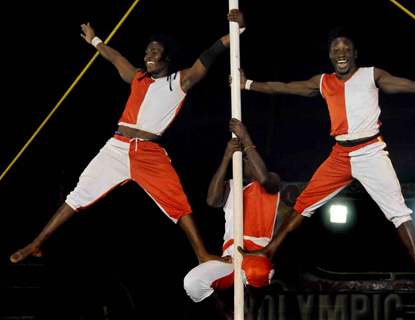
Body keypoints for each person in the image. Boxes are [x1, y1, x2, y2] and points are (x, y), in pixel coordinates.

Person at [237, 27, 415, 302]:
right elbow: (283, 88)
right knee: (303, 205)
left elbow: (414, 86)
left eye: (346, 48)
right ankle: (269, 251)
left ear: (355, 53)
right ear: (330, 56)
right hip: (339, 155)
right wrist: (247, 85)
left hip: (371, 153)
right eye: (335, 49)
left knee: (400, 214)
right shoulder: (322, 82)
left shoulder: (371, 75)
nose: (341, 52)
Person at [9, 10, 246, 265]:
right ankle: (36, 243)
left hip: (149, 153)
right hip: (117, 148)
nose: (148, 56)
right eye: (146, 52)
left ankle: (201, 254)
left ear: (167, 57)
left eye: (154, 51)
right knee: (77, 196)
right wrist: (94, 40)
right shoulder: (137, 78)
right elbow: (115, 57)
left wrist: (235, 32)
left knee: (178, 202)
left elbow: (208, 56)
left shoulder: (180, 81)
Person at [183, 118, 282, 319]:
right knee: (193, 282)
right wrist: (227, 157)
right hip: (230, 258)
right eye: (242, 159)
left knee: (256, 270)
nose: (245, 162)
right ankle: (227, 314)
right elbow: (212, 200)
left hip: (255, 255)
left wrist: (246, 140)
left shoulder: (271, 183)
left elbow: (263, 177)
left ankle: (252, 313)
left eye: (248, 158)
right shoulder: (231, 185)